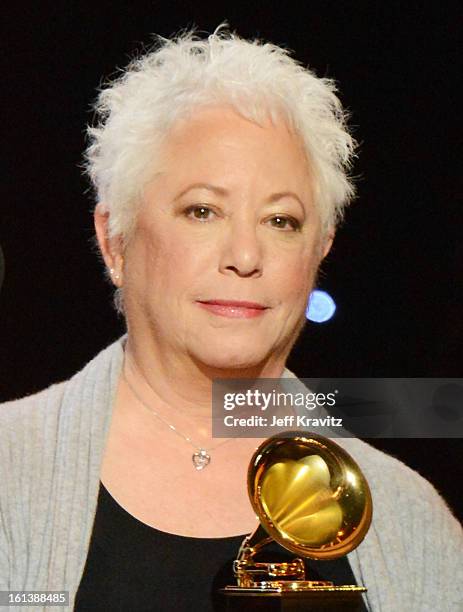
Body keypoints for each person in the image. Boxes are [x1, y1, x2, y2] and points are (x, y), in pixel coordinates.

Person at [0, 25, 461, 612]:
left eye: (281, 221)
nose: (245, 256)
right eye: (202, 210)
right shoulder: (9, 469)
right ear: (115, 241)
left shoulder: (407, 517)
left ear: (320, 248)